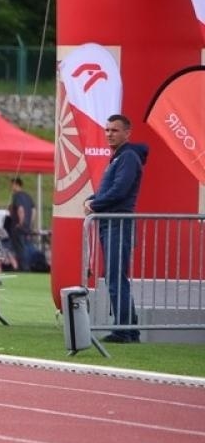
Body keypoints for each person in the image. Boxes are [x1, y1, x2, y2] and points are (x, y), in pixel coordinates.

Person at [84, 114, 149, 343]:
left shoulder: (127, 157)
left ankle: (124, 330)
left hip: (117, 223)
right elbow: (110, 191)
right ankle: (129, 330)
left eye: (115, 130)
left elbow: (120, 191)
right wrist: (93, 200)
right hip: (110, 223)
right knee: (115, 277)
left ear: (127, 133)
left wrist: (94, 204)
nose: (109, 134)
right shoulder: (119, 158)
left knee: (115, 278)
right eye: (107, 130)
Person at [5, 176, 34, 271]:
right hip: (27, 227)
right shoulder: (28, 196)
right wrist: (30, 223)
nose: (10, 187)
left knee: (20, 248)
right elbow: (34, 211)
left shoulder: (17, 196)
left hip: (18, 227)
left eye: (11, 184)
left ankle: (23, 268)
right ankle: (27, 266)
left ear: (16, 184)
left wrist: (20, 222)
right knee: (26, 246)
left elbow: (20, 208)